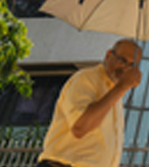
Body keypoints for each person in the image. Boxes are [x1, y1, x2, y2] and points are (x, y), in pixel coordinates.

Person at [37, 39, 143, 167]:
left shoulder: (114, 94)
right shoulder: (86, 78)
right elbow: (80, 127)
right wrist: (121, 88)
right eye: (122, 60)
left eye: (132, 65)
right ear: (108, 55)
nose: (125, 68)